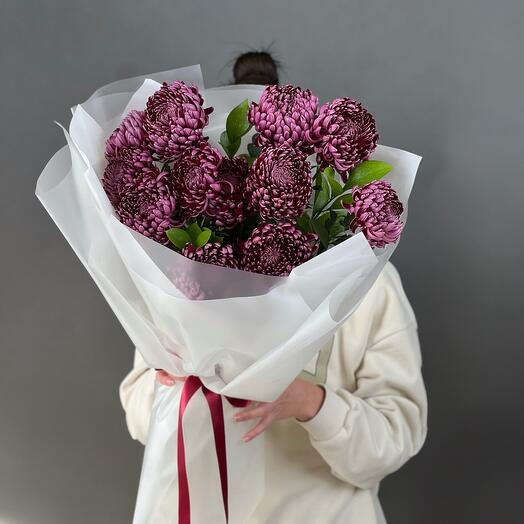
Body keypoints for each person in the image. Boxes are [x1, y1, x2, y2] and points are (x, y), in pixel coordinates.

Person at [120, 52, 428, 524]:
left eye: (269, 163)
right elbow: (140, 417)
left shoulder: (371, 284)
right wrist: (182, 378)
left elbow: (395, 439)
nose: (248, 180)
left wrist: (309, 402)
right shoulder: (185, 277)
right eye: (234, 167)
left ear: (306, 162)